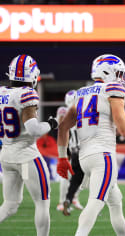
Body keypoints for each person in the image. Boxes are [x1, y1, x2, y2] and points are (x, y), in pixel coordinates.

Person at [56, 54, 125, 236]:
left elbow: (63, 128)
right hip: (103, 156)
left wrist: (62, 157)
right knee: (96, 201)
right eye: (118, 73)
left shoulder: (80, 93)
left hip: (85, 157)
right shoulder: (112, 89)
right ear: (107, 71)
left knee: (116, 203)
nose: (121, 78)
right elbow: (124, 129)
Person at [0, 54, 58, 236]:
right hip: (26, 156)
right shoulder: (27, 93)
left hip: (7, 157)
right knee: (42, 202)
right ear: (32, 74)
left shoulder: (2, 92)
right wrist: (51, 124)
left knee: (9, 205)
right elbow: (33, 129)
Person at [57, 90, 85, 216]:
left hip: (72, 149)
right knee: (72, 177)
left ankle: (70, 199)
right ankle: (63, 201)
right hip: (79, 148)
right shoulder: (79, 111)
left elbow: (60, 129)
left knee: (75, 179)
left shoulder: (68, 112)